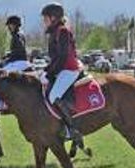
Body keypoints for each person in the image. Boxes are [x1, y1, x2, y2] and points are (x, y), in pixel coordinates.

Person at [40, 2, 85, 147]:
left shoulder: (62, 31)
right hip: (62, 68)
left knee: (53, 96)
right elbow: (55, 58)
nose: (44, 22)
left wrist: (51, 72)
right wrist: (47, 70)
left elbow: (63, 56)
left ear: (53, 18)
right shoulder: (55, 32)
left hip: (69, 69)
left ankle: (71, 129)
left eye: (45, 18)